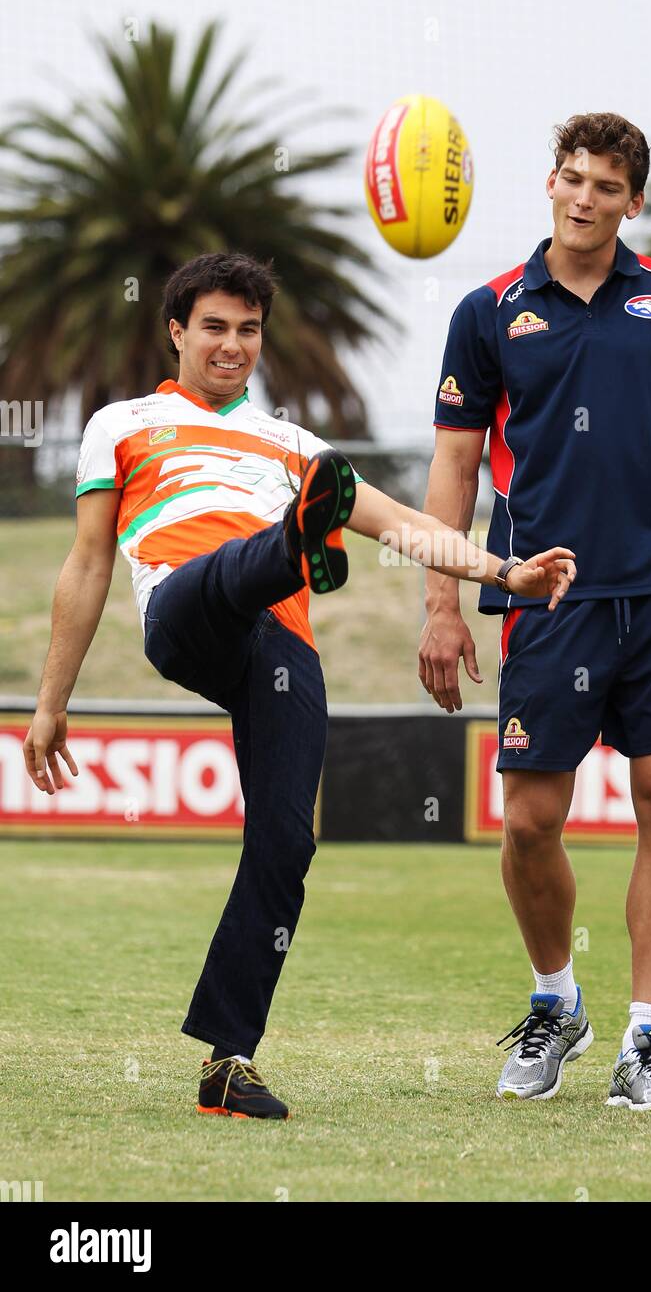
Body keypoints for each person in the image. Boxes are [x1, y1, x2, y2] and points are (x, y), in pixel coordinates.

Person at [23, 251, 576, 1120]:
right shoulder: (120, 424)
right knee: (241, 567)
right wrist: (51, 705)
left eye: (248, 330)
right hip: (185, 608)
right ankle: (296, 544)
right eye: (214, 327)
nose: (232, 345)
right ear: (176, 330)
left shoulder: (295, 446)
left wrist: (505, 574)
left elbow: (405, 526)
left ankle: (228, 1063)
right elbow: (89, 562)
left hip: (279, 645)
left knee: (286, 843)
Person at [418, 113, 651, 1112]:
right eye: (571, 178)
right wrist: (443, 605)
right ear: (549, 182)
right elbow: (453, 465)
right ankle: (556, 1002)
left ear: (632, 201)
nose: (583, 198)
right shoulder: (489, 310)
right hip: (543, 595)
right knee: (531, 818)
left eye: (605, 185)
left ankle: (646, 1039)